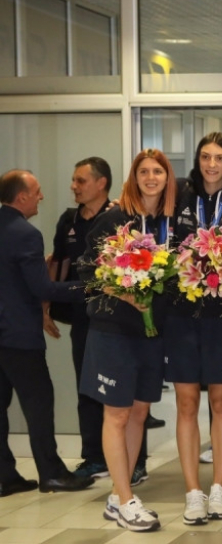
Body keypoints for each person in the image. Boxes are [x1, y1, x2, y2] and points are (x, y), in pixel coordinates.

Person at [80, 149, 178, 530]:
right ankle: (125, 501)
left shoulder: (171, 222)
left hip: (152, 333)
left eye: (158, 172)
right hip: (113, 330)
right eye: (144, 172)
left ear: (168, 178)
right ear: (133, 178)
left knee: (139, 412)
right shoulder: (114, 218)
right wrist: (124, 292)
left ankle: (118, 493)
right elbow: (88, 269)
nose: (151, 178)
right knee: (117, 413)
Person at [166, 132, 222, 525]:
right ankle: (192, 492)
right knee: (186, 403)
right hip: (182, 315)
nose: (211, 164)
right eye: (205, 157)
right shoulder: (179, 198)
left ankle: (218, 487)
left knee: (221, 402)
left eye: (219, 158)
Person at [0, 170, 94, 497]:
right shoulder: (26, 234)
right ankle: (52, 473)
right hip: (19, 336)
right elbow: (42, 288)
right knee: (39, 403)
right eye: (37, 191)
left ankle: (6, 476)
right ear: (22, 197)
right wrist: (89, 287)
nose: (41, 197)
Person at [46, 157, 114, 481]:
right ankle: (94, 457)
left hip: (115, 317)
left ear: (101, 183)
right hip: (81, 316)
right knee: (86, 388)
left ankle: (130, 458)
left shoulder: (118, 217)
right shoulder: (68, 220)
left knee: (117, 391)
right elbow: (58, 263)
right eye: (74, 180)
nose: (74, 186)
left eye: (80, 180)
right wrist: (46, 306)